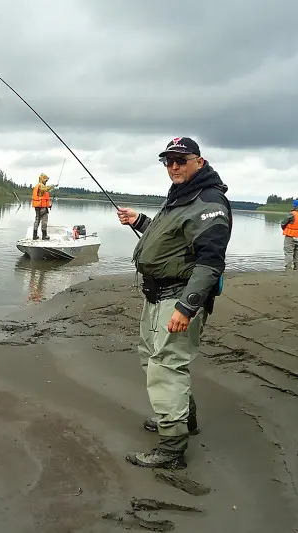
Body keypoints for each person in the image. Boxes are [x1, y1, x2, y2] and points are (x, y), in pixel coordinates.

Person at [116, 136, 232, 469]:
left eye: (181, 160)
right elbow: (170, 239)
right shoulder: (182, 197)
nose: (174, 166)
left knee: (165, 366)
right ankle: (182, 417)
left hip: (177, 298)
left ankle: (171, 449)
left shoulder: (209, 203)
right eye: (169, 161)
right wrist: (139, 221)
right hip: (155, 295)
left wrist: (186, 307)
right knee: (151, 359)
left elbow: (211, 261)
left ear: (200, 161)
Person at [280, 199, 298, 271]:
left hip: (290, 236)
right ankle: (297, 269)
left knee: (289, 252)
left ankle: (288, 269)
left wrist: (285, 229)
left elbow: (283, 223)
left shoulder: (292, 214)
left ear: (294, 206)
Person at [31, 173, 55, 240]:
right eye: (45, 180)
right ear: (42, 179)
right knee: (44, 221)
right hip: (41, 207)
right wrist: (51, 186)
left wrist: (48, 205)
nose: (46, 181)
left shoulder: (38, 186)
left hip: (39, 207)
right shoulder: (41, 186)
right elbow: (45, 189)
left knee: (37, 220)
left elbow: (42, 198)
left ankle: (34, 235)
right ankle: (44, 236)